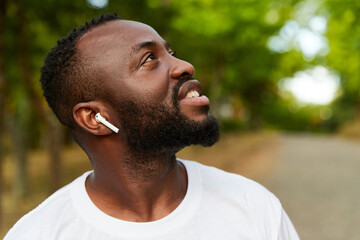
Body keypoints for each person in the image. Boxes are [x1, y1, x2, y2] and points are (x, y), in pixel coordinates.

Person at [5, 13, 300, 240]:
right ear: (95, 118)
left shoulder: (254, 206)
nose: (184, 65)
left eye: (169, 51)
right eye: (149, 59)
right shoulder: (38, 233)